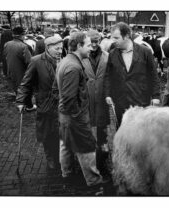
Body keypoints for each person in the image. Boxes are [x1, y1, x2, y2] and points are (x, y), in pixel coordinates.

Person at [54, 32, 104, 190]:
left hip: (65, 116)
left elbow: (57, 91)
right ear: (79, 46)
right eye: (88, 45)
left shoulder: (65, 61)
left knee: (66, 145)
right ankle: (94, 182)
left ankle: (67, 174)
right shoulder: (74, 67)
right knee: (87, 147)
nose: (91, 48)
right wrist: (78, 118)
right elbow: (69, 99)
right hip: (75, 117)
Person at [16, 36, 63, 170]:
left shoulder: (64, 60)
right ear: (48, 47)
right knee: (47, 132)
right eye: (57, 48)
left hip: (61, 103)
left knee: (61, 131)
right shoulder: (36, 61)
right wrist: (20, 101)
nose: (60, 51)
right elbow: (26, 83)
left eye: (61, 48)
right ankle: (50, 157)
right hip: (45, 103)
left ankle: (61, 156)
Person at [104, 22, 160, 125]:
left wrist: (156, 96)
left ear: (126, 36)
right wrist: (108, 94)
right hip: (120, 101)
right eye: (113, 38)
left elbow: (153, 75)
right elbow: (108, 75)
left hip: (140, 101)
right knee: (122, 129)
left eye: (116, 38)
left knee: (140, 132)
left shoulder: (145, 52)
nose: (113, 41)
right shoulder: (113, 53)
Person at [81, 30, 110, 177]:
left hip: (102, 98)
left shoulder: (106, 56)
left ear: (100, 40)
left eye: (96, 41)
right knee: (87, 127)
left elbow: (110, 77)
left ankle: (103, 156)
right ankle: (88, 158)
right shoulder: (81, 57)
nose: (93, 44)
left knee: (102, 127)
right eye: (91, 41)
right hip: (86, 98)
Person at [4, 27, 35, 110]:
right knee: (26, 88)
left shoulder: (7, 44)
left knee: (16, 87)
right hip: (21, 71)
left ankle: (21, 103)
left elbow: (5, 56)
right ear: (21, 35)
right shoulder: (24, 46)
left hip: (11, 70)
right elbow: (29, 62)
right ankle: (28, 106)